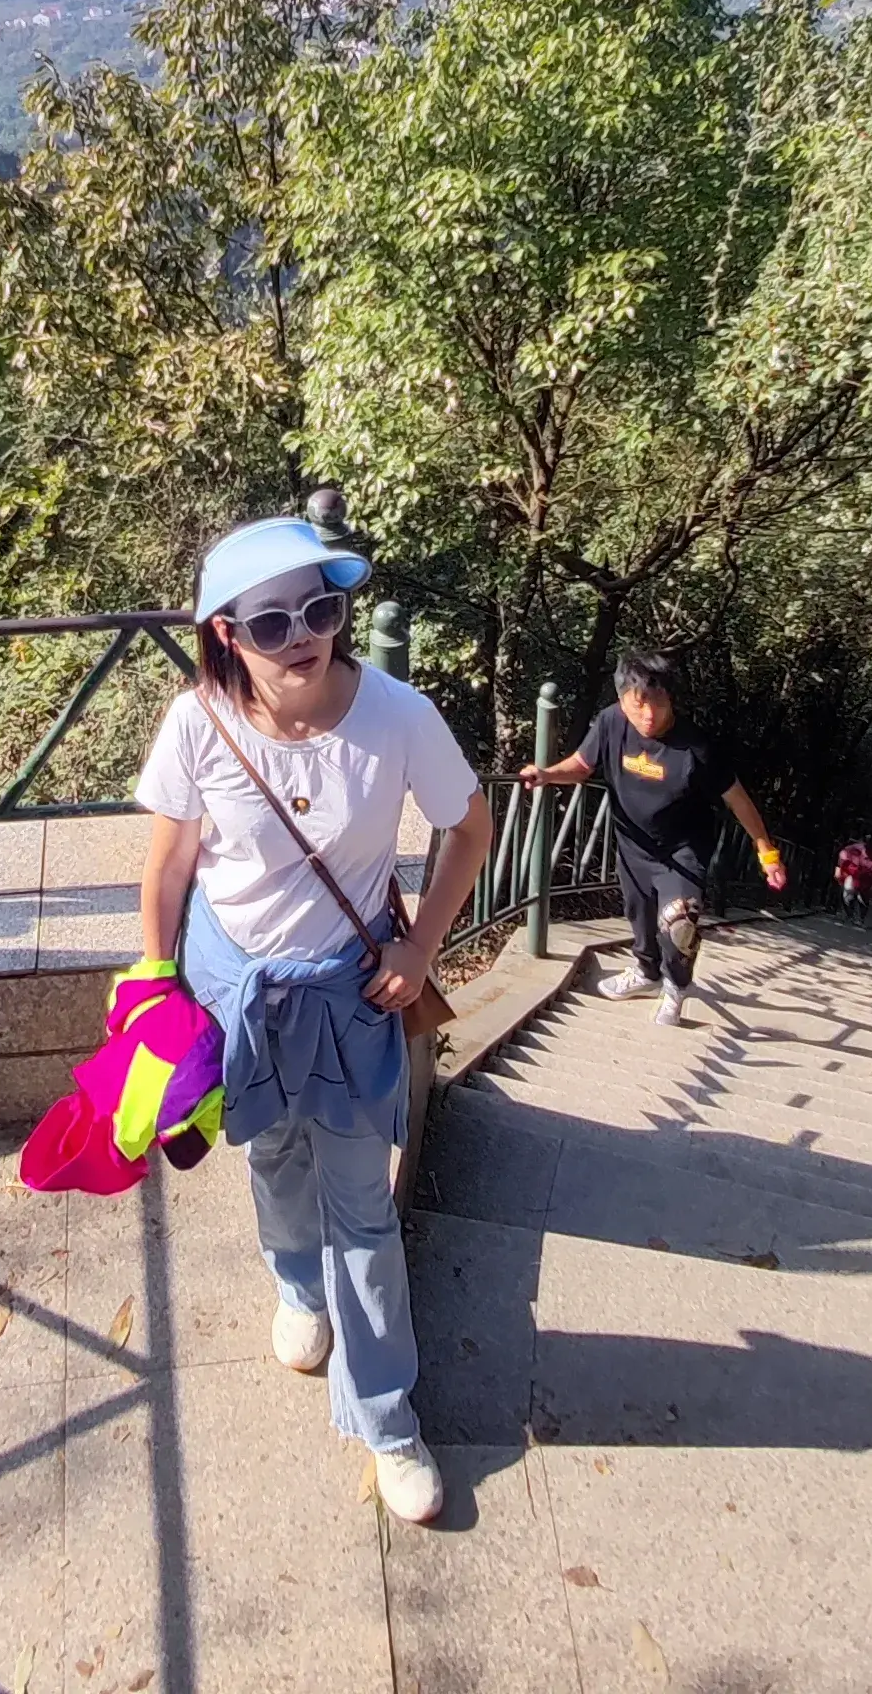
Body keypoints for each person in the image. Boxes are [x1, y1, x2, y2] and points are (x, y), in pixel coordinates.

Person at [133, 515, 494, 1527]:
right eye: (271, 618)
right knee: (268, 1155)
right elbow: (167, 865)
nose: (302, 635)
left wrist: (419, 945)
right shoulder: (197, 723)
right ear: (225, 634)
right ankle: (295, 1285)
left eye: (321, 609)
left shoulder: (398, 716)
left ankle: (384, 1417)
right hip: (231, 979)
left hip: (346, 990)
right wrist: (153, 979)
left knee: (362, 1208)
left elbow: (468, 828)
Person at [513, 649, 784, 1027]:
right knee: (639, 915)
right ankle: (647, 972)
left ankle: (676, 985)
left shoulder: (697, 747)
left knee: (678, 921)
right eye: (639, 704)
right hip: (633, 844)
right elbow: (582, 765)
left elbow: (738, 799)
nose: (649, 716)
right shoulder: (610, 722)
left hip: (683, 849)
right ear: (622, 697)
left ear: (672, 699)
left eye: (658, 704)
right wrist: (545, 774)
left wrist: (765, 851)